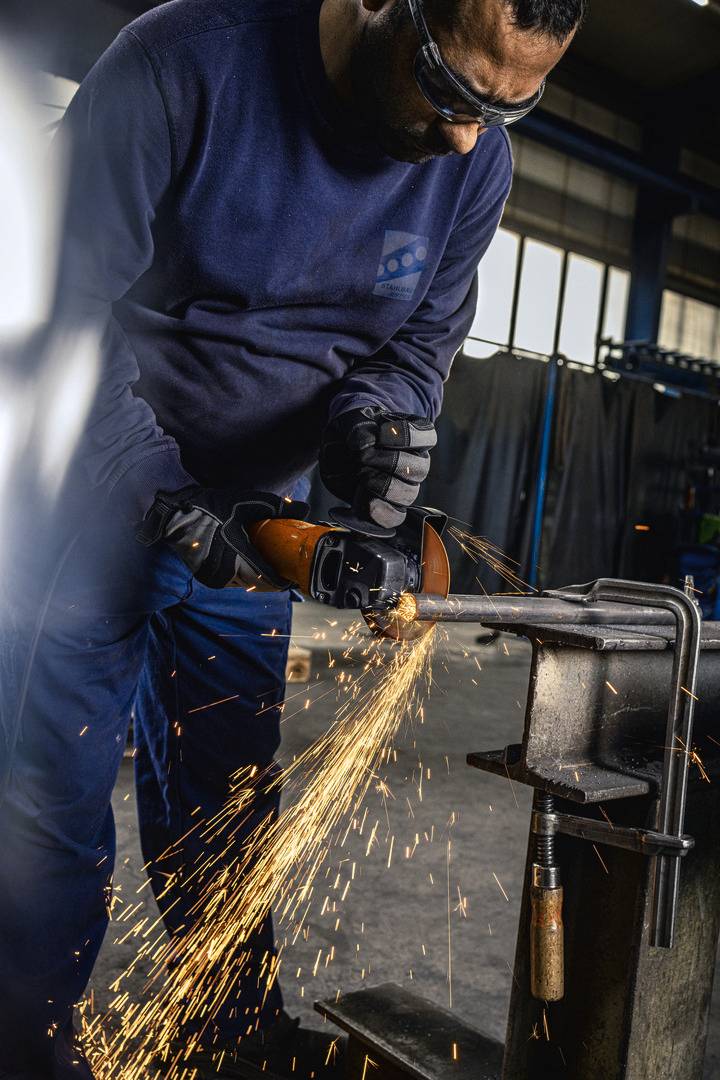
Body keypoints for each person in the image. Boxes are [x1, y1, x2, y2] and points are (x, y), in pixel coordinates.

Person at [0, 0, 584, 1075]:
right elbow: (53, 312)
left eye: (510, 106)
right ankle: (23, 1040)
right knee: (52, 798)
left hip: (256, 530)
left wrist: (380, 420)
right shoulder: (184, 67)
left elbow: (417, 343)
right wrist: (154, 491)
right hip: (86, 499)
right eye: (455, 91)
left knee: (225, 802)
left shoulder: (474, 159)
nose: (468, 135)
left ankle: (224, 1038)